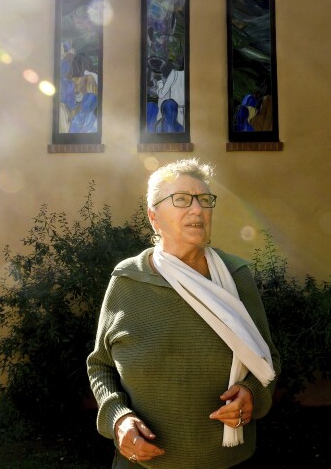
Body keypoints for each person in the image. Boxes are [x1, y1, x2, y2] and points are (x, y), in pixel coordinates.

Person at [87, 159, 280, 468]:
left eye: (205, 200)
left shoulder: (235, 276)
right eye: (181, 200)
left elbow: (266, 359)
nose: (197, 210)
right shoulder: (127, 281)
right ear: (154, 217)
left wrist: (252, 394)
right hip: (143, 464)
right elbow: (101, 367)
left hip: (228, 461)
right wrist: (118, 418)